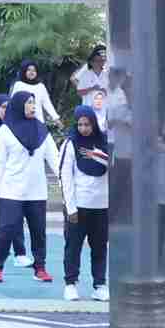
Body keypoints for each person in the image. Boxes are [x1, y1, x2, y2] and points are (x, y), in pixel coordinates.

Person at [0, 85, 55, 286]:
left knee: (39, 231)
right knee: (6, 230)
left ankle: (40, 268)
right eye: (29, 103)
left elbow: (54, 158)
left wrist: (65, 183)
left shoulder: (42, 130)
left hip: (37, 191)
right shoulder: (5, 131)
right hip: (11, 190)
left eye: (34, 102)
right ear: (18, 105)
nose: (33, 106)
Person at [60, 100, 115, 293]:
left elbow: (115, 166)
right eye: (80, 124)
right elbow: (65, 176)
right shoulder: (69, 144)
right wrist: (70, 207)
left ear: (93, 123)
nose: (84, 128)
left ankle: (99, 284)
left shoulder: (105, 142)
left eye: (87, 124)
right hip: (78, 206)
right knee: (73, 247)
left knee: (100, 247)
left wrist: (97, 156)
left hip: (101, 205)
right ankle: (70, 284)